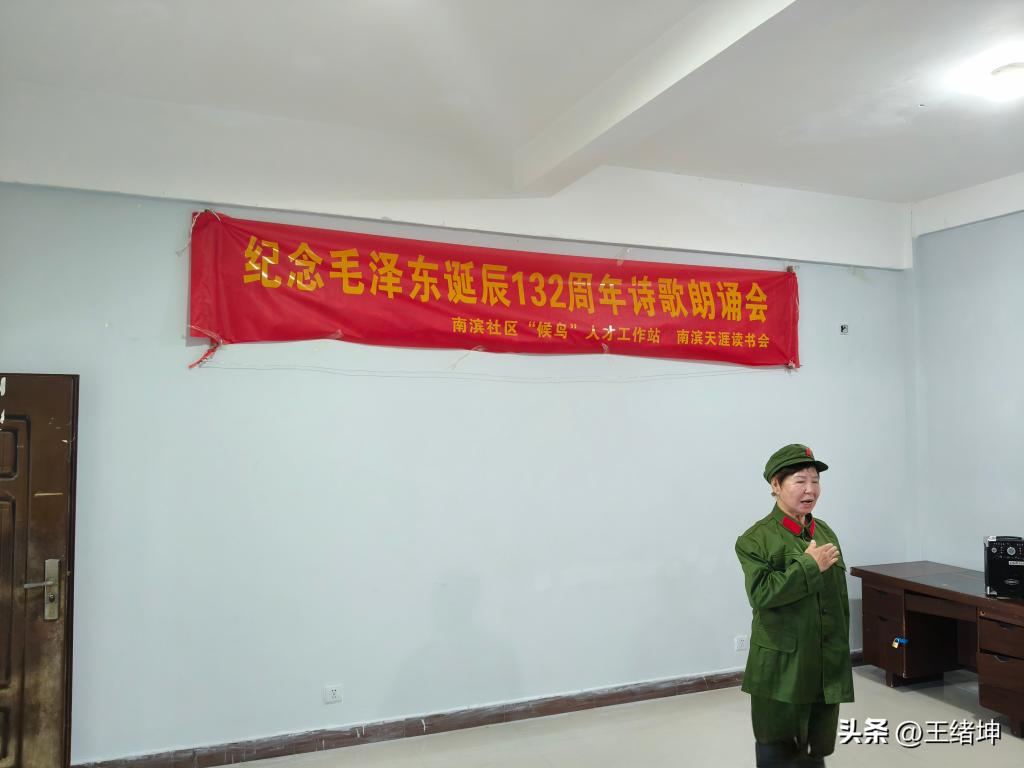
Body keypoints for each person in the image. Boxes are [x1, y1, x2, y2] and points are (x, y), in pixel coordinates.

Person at [735, 444, 854, 767]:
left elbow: (837, 602)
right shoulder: (755, 539)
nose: (810, 490)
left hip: (824, 663)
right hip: (782, 667)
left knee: (816, 748)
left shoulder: (825, 532)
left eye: (815, 480)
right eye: (800, 481)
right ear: (775, 485)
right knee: (778, 747)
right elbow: (761, 594)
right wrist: (809, 566)